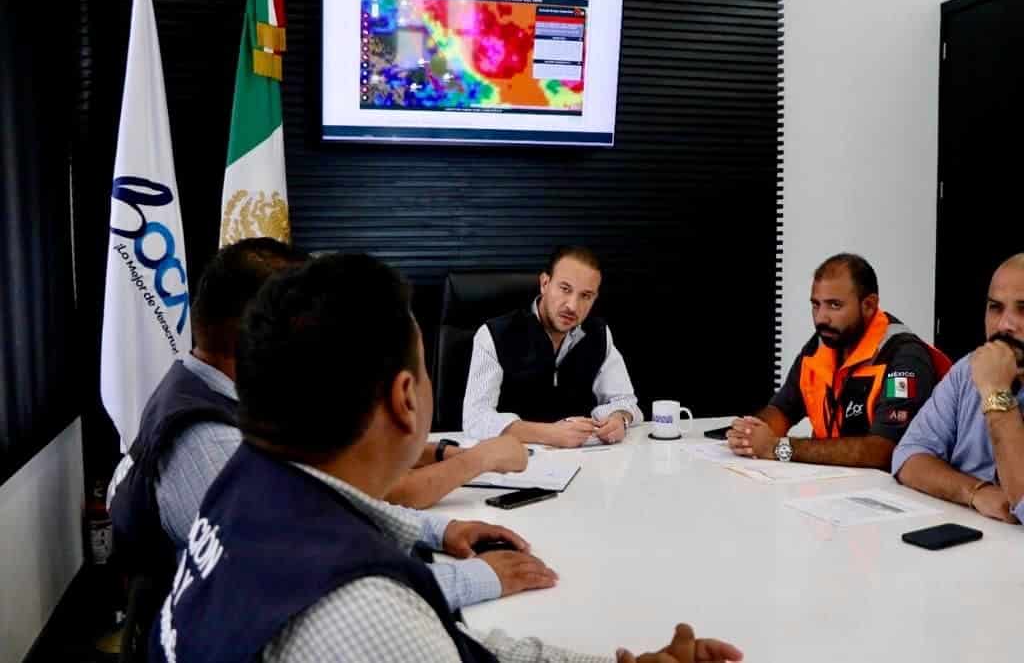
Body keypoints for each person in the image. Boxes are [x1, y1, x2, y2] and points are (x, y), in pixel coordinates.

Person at [153, 253, 742, 663]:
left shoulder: (244, 484)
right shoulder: (364, 613)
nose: (574, 303)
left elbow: (453, 644)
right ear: (407, 399)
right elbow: (402, 634)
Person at [109, 238, 539, 612]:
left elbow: (324, 498)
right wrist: (479, 579)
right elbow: (309, 586)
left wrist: (439, 531)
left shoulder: (215, 388)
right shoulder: (209, 445)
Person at [728, 253, 949, 468]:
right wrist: (750, 432)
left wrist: (779, 448)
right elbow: (783, 410)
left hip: (885, 493)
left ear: (869, 305)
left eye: (835, 305)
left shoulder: (905, 358)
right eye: (816, 305)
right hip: (827, 486)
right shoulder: (823, 343)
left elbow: (884, 451)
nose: (821, 318)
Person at [462, 246, 643, 447]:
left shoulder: (598, 333)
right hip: (515, 460)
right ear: (545, 283)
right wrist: (549, 433)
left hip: (585, 459)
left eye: (586, 296)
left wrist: (620, 418)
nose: (572, 306)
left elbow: (626, 401)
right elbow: (475, 419)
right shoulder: (493, 334)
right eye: (565, 289)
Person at [892, 254, 1024, 524]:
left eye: (1023, 309)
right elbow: (909, 456)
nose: (1004, 325)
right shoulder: (968, 369)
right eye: (995, 308)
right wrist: (975, 491)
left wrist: (996, 392)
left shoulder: (985, 374)